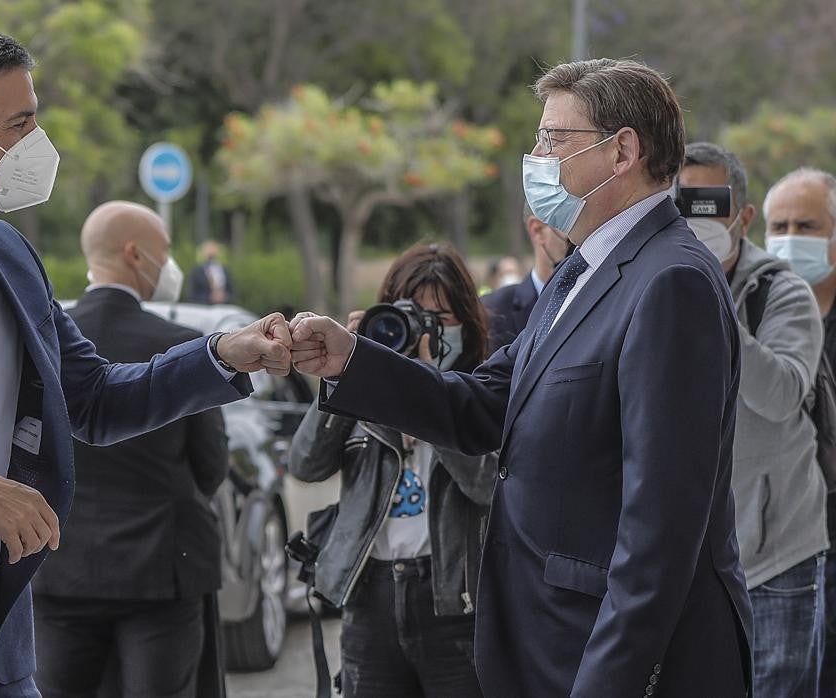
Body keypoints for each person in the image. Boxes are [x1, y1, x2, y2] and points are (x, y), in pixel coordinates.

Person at [288, 58, 751, 697]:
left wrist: (607, 682)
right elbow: (481, 405)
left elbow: (660, 532)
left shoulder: (670, 280)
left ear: (622, 150)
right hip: (547, 641)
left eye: (553, 139)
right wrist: (352, 361)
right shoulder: (580, 269)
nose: (534, 157)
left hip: (610, 657)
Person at [0, 25, 292, 698]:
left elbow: (95, 400)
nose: (39, 148)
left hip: (7, 639)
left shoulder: (9, 254)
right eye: (20, 125)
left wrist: (222, 353)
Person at [32, 201, 230, 698]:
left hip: (58, 566)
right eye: (164, 252)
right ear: (134, 254)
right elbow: (211, 466)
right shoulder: (182, 348)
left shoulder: (41, 341)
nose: (170, 266)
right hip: (161, 568)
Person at [289, 243, 496, 697]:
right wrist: (346, 373)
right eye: (411, 316)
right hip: (372, 596)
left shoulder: (483, 394)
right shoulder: (364, 388)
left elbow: (487, 486)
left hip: (456, 602)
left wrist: (427, 391)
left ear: (466, 320)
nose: (425, 331)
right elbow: (305, 463)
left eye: (440, 320)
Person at [681, 143, 828, 696]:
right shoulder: (656, 289)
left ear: (742, 216)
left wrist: (715, 307)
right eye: (683, 203)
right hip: (690, 556)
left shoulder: (782, 291)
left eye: (709, 203)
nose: (696, 218)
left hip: (774, 556)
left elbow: (783, 394)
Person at [759, 167, 836, 696]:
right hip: (782, 552)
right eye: (779, 225)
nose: (790, 238)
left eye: (807, 226)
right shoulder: (756, 316)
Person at [482, 206, 570, 351]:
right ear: (538, 230)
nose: (579, 239)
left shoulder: (603, 299)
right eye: (569, 224)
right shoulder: (492, 311)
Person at [188, 240, 234, 304]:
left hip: (224, 308)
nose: (211, 251)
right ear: (203, 251)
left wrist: (225, 297)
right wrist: (209, 298)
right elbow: (192, 295)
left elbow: (232, 292)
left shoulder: (225, 270)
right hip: (205, 309)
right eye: (208, 248)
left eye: (213, 248)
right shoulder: (197, 271)